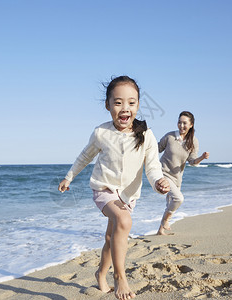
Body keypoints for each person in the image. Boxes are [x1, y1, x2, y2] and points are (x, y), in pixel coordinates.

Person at [58, 76, 170, 300]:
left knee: (111, 237)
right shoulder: (101, 132)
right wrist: (68, 177)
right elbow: (84, 156)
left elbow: (152, 168)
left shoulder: (146, 135)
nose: (124, 108)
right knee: (124, 221)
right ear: (107, 105)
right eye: (118, 102)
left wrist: (159, 183)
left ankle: (101, 273)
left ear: (137, 105)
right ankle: (120, 277)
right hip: (103, 189)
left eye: (131, 102)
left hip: (128, 195)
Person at [157, 111, 210, 235]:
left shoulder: (193, 141)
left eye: (184, 123)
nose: (181, 126)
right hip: (163, 173)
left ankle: (160, 231)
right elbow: (156, 149)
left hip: (177, 178)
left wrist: (202, 157)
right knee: (178, 198)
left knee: (170, 203)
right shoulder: (170, 136)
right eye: (179, 122)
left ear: (191, 125)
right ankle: (165, 221)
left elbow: (192, 161)